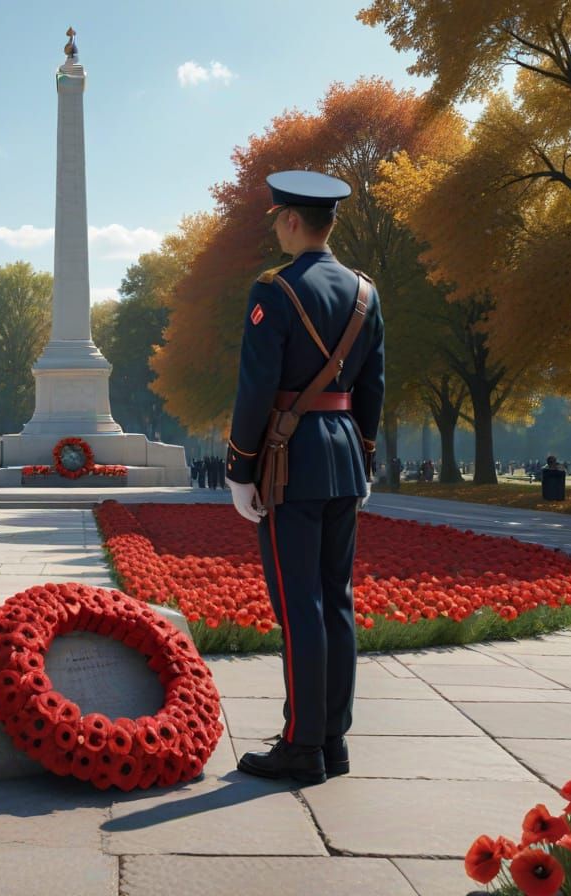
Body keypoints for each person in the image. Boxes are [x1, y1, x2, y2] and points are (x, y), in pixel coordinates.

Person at [225, 170, 385, 785]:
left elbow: (256, 387)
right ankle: (331, 740)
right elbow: (371, 387)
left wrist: (242, 466)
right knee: (336, 602)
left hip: (291, 462)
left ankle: (300, 748)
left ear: (292, 220)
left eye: (277, 219)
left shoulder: (277, 289)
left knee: (300, 607)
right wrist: (363, 457)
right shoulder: (365, 292)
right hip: (343, 458)